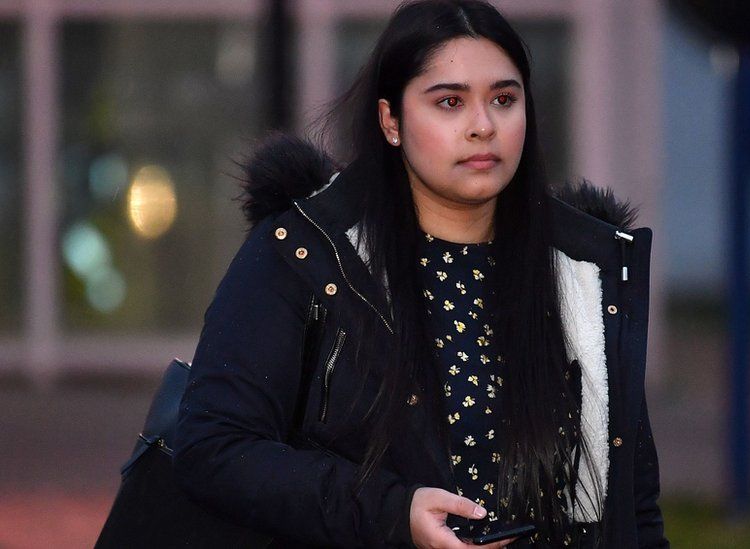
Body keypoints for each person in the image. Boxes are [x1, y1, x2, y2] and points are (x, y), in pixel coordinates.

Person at [172, 0, 667, 547]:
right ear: (391, 121)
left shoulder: (586, 272)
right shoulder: (307, 252)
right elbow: (213, 445)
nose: (483, 127)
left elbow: (635, 508)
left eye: (504, 99)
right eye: (450, 102)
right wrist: (394, 513)